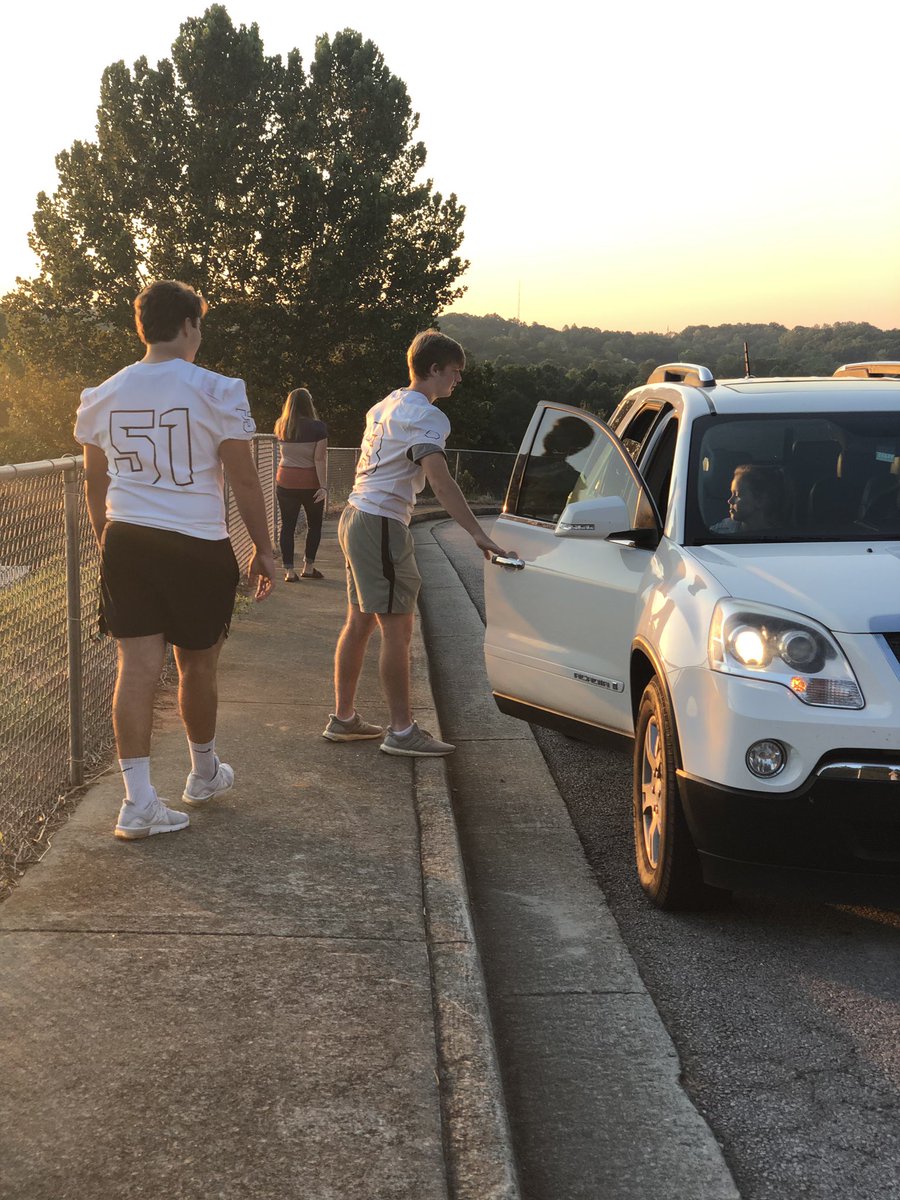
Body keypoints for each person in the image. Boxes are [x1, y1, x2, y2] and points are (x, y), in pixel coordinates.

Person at [74, 279, 276, 840]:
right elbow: (241, 477)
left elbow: (95, 483)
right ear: (189, 325)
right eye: (200, 326)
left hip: (127, 539)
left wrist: (105, 541)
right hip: (196, 542)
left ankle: (138, 801)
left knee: (134, 668)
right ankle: (203, 772)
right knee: (197, 664)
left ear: (144, 327)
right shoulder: (219, 389)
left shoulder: (100, 395)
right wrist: (266, 549)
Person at [323, 329, 510, 757]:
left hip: (356, 514)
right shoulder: (427, 416)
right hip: (382, 523)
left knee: (360, 621)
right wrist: (478, 532)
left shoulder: (385, 405)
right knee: (398, 628)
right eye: (454, 373)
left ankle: (345, 718)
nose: (457, 381)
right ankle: (402, 731)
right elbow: (441, 482)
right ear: (433, 369)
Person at [274, 387, 328, 581]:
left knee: (287, 526)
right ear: (309, 404)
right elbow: (319, 459)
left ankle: (289, 571)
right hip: (310, 483)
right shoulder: (318, 427)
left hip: (285, 481)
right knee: (314, 525)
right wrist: (323, 486)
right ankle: (309, 567)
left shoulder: (281, 425)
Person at [711, 464, 787, 534]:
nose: (730, 501)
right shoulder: (721, 530)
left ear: (759, 501)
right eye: (732, 494)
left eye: (737, 495)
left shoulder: (782, 536)